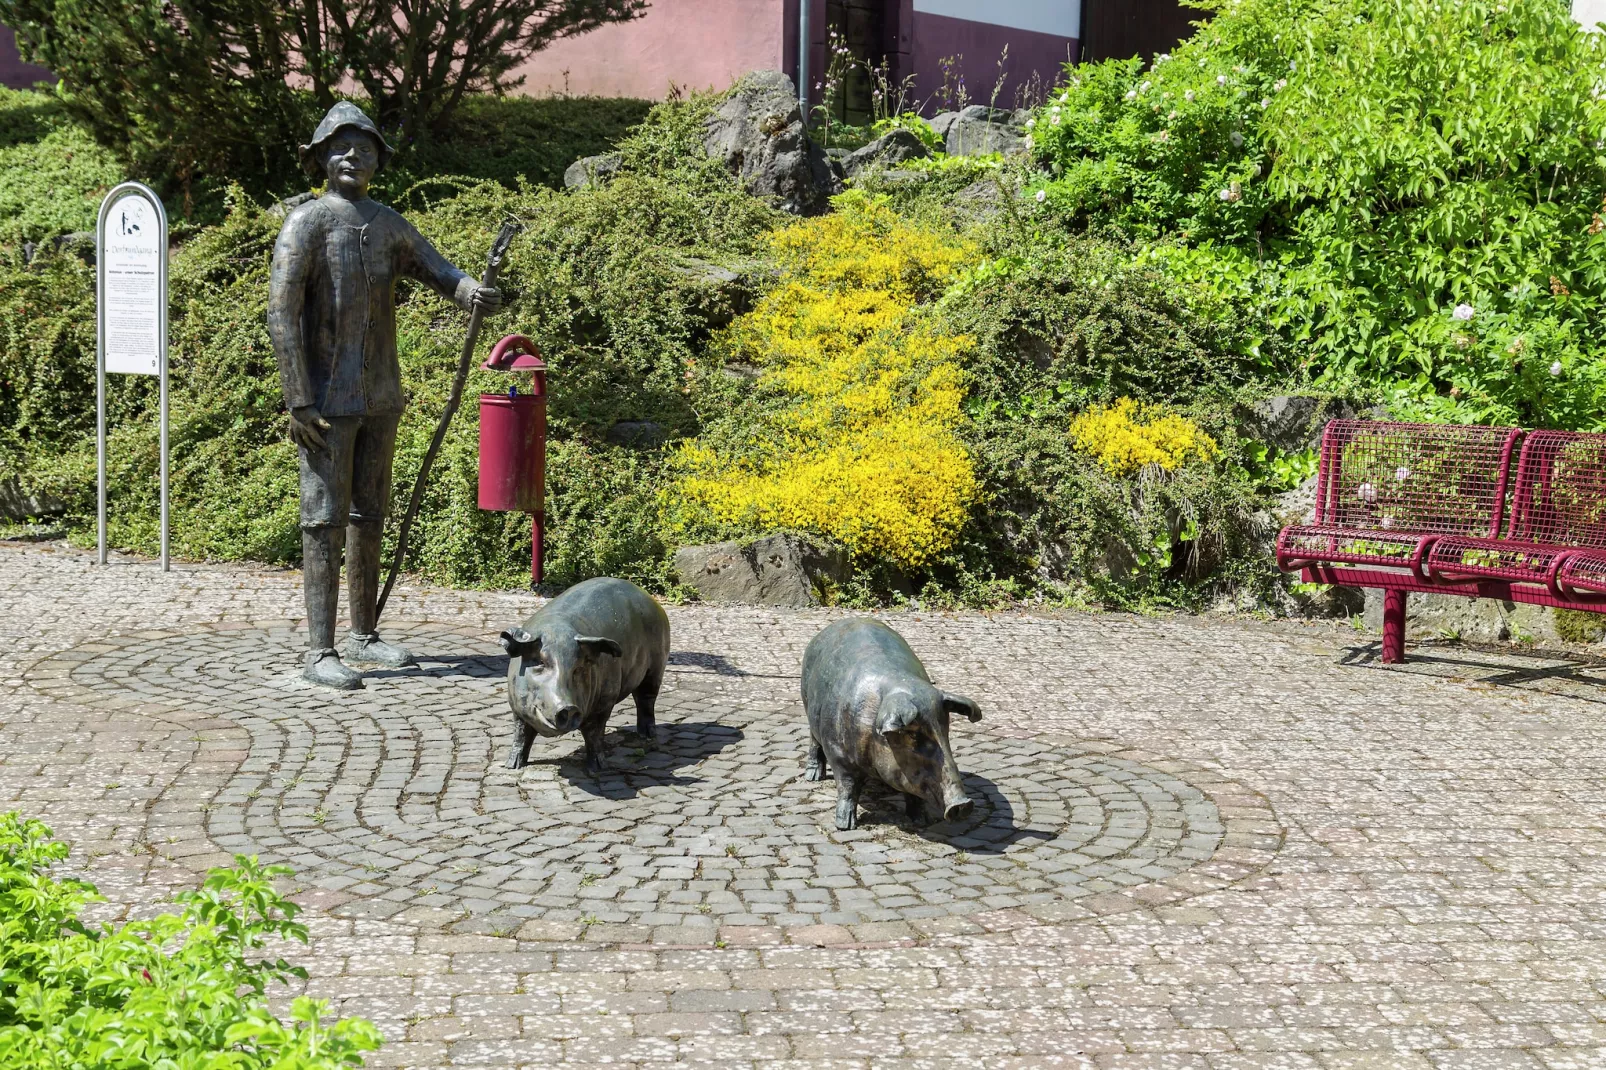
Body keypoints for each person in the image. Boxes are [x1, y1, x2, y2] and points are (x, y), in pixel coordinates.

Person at [269, 102, 501, 690]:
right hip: (325, 400)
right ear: (321, 157)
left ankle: (363, 635)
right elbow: (281, 316)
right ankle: (320, 650)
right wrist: (298, 399)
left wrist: (473, 290)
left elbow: (440, 271)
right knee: (323, 521)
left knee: (369, 514)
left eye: (366, 149)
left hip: (380, 395)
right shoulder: (308, 225)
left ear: (379, 161)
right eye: (342, 148)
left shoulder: (389, 223)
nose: (354, 157)